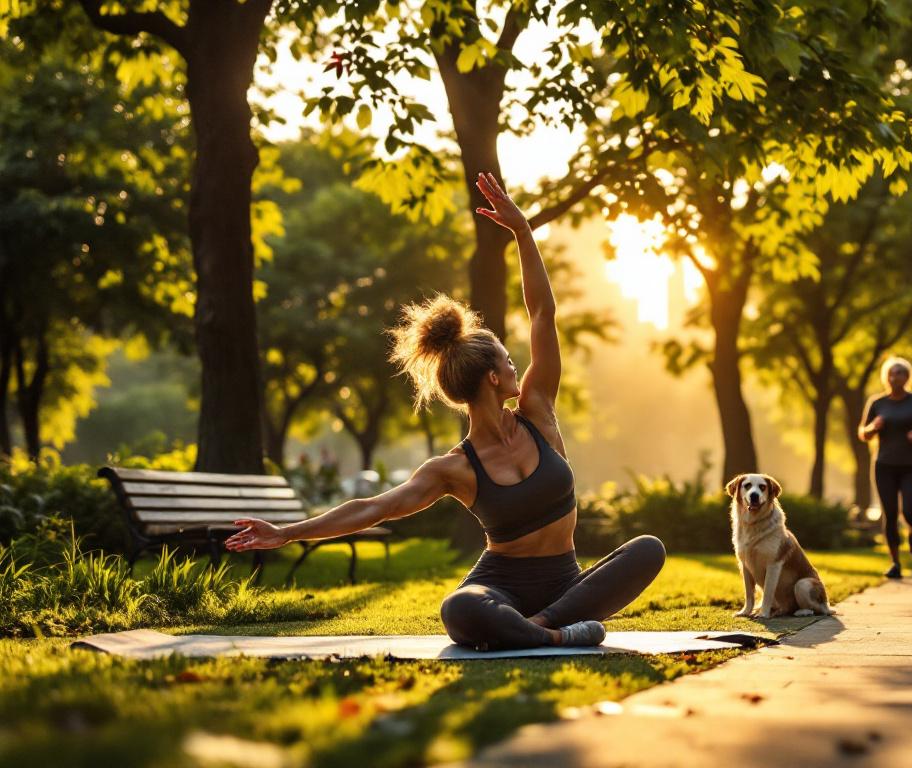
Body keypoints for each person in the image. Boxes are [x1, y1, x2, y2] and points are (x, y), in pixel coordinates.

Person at [227, 173, 665, 650]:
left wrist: (522, 232)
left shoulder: (537, 411)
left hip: (566, 583)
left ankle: (540, 627)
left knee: (647, 550)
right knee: (459, 608)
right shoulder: (453, 468)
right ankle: (559, 633)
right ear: (493, 377)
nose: (516, 361)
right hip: (500, 587)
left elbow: (542, 313)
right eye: (506, 356)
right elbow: (376, 507)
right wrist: (288, 533)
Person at [858, 357, 912, 579]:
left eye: (900, 373)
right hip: (884, 465)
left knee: (911, 511)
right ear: (886, 377)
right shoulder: (877, 403)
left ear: (908, 377)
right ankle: (895, 562)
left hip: (911, 465)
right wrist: (874, 427)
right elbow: (863, 433)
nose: (895, 377)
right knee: (890, 514)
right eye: (892, 373)